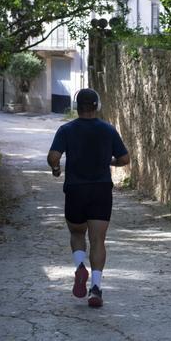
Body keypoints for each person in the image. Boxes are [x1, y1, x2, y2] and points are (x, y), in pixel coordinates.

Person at [47, 88, 130, 308]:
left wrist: (56, 169)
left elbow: (53, 156)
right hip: (101, 190)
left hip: (75, 189)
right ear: (97, 106)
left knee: (76, 232)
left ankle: (79, 268)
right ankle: (96, 288)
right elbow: (124, 158)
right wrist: (109, 162)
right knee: (98, 240)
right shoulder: (108, 130)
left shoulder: (66, 130)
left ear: (77, 106)